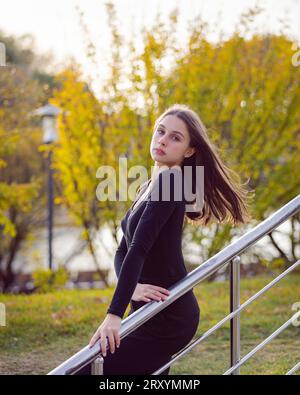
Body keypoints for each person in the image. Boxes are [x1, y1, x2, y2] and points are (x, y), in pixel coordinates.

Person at [77, 103, 253, 375]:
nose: (162, 140)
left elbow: (138, 250)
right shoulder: (149, 184)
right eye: (161, 131)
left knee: (89, 368)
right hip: (146, 310)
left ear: (189, 150)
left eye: (175, 137)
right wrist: (133, 288)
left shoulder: (171, 182)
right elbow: (122, 250)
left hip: (168, 316)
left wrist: (114, 314)